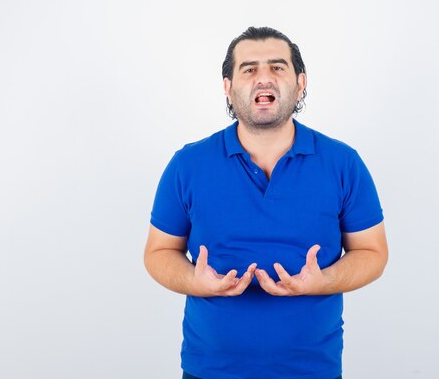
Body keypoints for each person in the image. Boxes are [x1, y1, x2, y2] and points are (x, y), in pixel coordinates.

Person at [144, 26, 388, 379]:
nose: (264, 79)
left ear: (300, 82)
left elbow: (373, 252)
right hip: (210, 370)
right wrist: (195, 282)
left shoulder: (343, 163)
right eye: (249, 69)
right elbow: (158, 252)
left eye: (277, 67)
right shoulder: (188, 164)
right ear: (228, 87)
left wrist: (323, 281)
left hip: (312, 371)